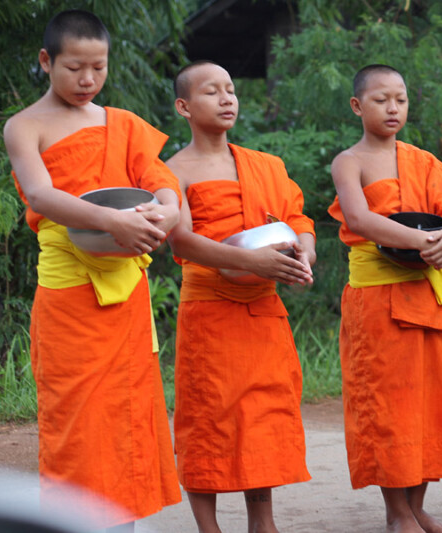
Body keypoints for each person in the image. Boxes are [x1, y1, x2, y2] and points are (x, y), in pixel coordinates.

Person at [3, 9, 182, 531]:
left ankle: (124, 524)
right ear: (46, 61)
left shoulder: (122, 124)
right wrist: (111, 221)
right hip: (69, 299)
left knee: (129, 417)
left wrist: (166, 215)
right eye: (75, 67)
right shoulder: (24, 126)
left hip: (126, 295)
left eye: (98, 68)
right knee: (77, 421)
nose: (87, 80)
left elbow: (163, 184)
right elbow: (40, 195)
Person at [165, 61, 315, 533]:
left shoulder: (265, 165)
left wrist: (303, 255)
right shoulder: (171, 171)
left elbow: (298, 220)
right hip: (210, 309)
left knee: (262, 414)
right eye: (212, 91)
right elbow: (180, 240)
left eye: (230, 89)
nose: (227, 98)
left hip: (263, 307)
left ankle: (262, 523)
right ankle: (208, 528)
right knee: (208, 415)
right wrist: (252, 261)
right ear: (184, 106)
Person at [328, 64, 442, 533]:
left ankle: (417, 505)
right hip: (377, 299)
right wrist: (427, 242)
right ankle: (396, 512)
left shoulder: (423, 160)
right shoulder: (349, 161)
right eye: (381, 100)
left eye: (401, 100)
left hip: (427, 294)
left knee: (430, 402)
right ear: (357, 106)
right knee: (388, 404)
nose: (393, 108)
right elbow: (360, 219)